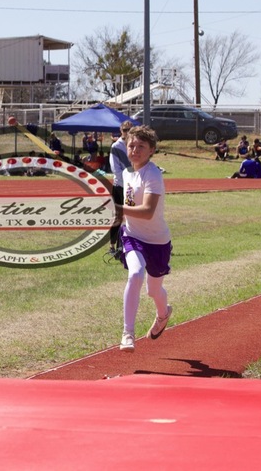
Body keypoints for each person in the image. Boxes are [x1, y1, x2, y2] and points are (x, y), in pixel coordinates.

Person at [115, 125, 173, 353]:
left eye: (141, 146)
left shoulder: (153, 174)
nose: (135, 150)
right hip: (132, 236)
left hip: (157, 241)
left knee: (153, 291)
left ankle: (163, 314)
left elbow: (148, 211)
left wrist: (118, 209)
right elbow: (128, 207)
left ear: (151, 151)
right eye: (131, 145)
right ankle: (127, 334)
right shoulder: (126, 173)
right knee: (136, 273)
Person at [108, 121, 133, 261]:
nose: (127, 132)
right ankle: (112, 246)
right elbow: (115, 169)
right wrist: (127, 181)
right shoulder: (116, 147)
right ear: (121, 131)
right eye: (125, 130)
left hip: (132, 187)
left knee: (133, 216)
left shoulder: (134, 145)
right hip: (120, 186)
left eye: (129, 130)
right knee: (118, 217)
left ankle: (127, 245)